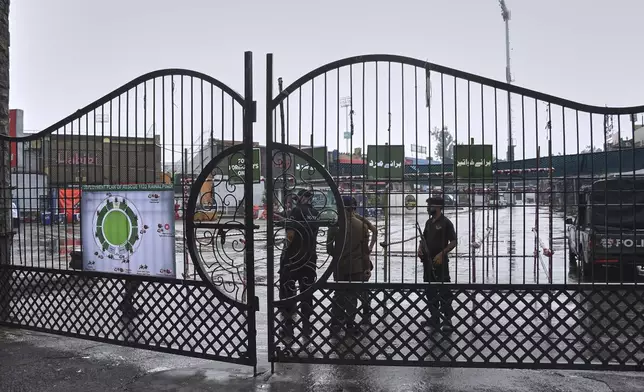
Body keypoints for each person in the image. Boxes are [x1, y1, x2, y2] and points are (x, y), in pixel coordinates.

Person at [326, 195, 373, 335]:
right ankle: (350, 324)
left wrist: (338, 256)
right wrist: (366, 268)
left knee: (338, 294)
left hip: (340, 266)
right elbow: (365, 252)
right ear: (354, 208)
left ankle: (335, 323)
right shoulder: (362, 226)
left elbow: (329, 249)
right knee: (352, 296)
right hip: (356, 267)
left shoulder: (335, 225)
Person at [278, 189, 320, 337]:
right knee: (306, 292)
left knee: (289, 292)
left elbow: (290, 235)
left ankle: (288, 327)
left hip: (294, 259)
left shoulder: (296, 211)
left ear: (301, 198)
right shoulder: (315, 213)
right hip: (310, 258)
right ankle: (307, 326)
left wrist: (286, 251)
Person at [417, 197, 457, 332]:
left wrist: (442, 253)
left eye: (430, 205)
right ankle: (434, 318)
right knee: (430, 290)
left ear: (438, 206)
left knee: (444, 290)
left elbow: (453, 242)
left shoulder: (446, 223)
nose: (428, 207)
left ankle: (447, 319)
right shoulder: (429, 222)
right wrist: (420, 248)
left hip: (440, 262)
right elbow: (423, 238)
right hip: (427, 262)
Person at [342, 195, 376, 325]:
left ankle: (358, 316)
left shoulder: (353, 220)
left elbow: (374, 231)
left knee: (355, 291)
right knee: (362, 289)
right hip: (362, 259)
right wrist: (369, 247)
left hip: (357, 260)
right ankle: (366, 315)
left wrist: (369, 248)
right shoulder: (360, 220)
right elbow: (374, 231)